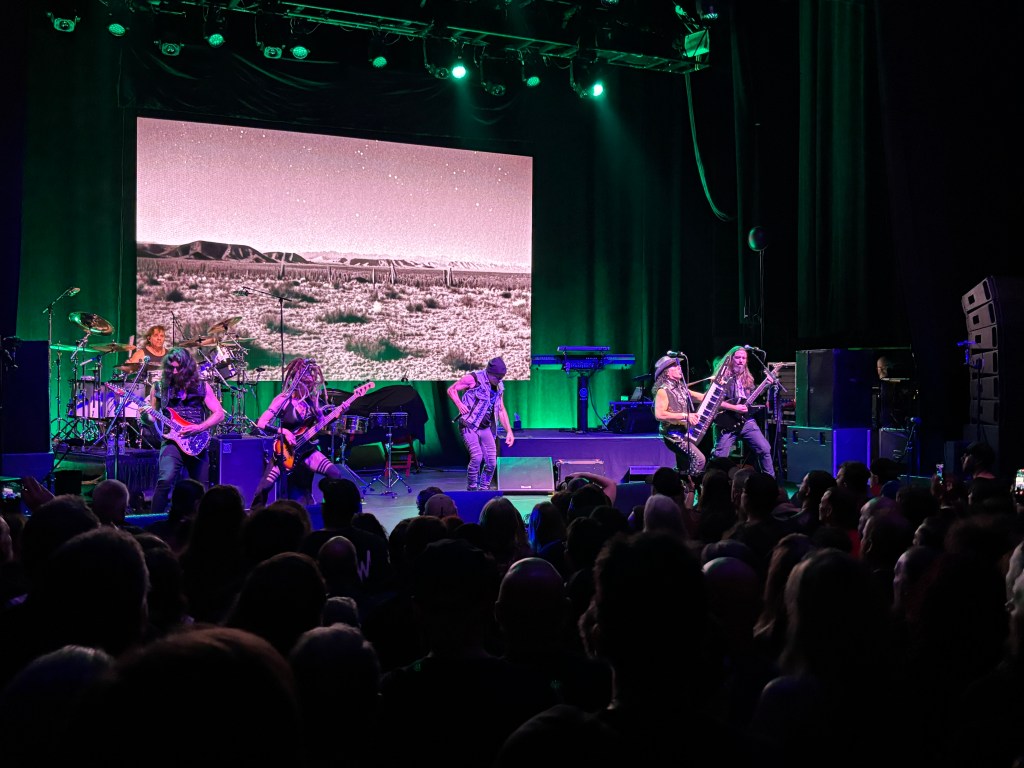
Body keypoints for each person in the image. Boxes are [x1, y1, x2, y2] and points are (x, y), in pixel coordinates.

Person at [250, 358, 349, 508]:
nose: (309, 387)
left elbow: (322, 424)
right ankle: (254, 515)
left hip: (307, 451)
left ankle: (330, 509)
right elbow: (261, 422)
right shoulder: (283, 399)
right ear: (297, 381)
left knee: (335, 474)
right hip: (285, 451)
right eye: (306, 383)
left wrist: (338, 413)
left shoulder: (312, 402)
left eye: (311, 384)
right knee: (264, 489)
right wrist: (283, 431)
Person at [146, 347, 225, 519]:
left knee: (201, 486)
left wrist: (200, 427)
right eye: (171, 368)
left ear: (188, 367)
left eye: (178, 368)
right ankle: (153, 522)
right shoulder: (159, 387)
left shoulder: (202, 387)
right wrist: (145, 415)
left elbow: (219, 414)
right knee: (164, 480)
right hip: (172, 441)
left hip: (196, 441)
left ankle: (202, 523)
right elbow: (152, 418)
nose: (174, 372)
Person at [447, 356, 515, 491]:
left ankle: (484, 488)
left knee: (491, 462)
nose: (499, 380)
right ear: (490, 373)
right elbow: (451, 389)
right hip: (469, 424)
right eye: (497, 377)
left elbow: (501, 409)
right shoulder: (474, 378)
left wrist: (509, 431)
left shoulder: (499, 386)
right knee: (477, 457)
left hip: (485, 427)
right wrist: (459, 404)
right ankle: (472, 488)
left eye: (502, 377)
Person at [708, 346, 775, 477]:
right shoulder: (721, 377)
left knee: (764, 449)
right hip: (726, 422)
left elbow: (750, 398)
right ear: (730, 359)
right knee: (720, 456)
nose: (741, 361)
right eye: (737, 357)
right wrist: (734, 408)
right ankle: (712, 482)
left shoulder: (747, 378)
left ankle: (770, 481)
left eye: (744, 358)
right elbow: (713, 401)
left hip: (746, 421)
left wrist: (767, 384)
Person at [651, 355, 706, 475]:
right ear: (667, 372)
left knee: (683, 465)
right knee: (699, 460)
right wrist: (686, 416)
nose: (679, 367)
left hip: (683, 432)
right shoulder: (663, 390)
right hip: (673, 435)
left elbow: (702, 397)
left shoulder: (681, 387)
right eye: (675, 366)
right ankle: (693, 484)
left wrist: (716, 387)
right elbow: (659, 415)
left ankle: (680, 482)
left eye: (679, 365)